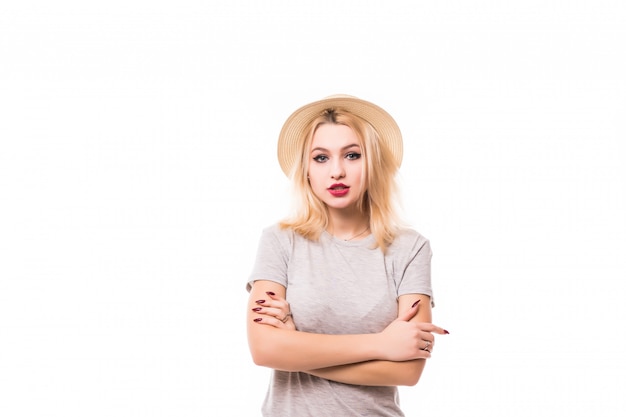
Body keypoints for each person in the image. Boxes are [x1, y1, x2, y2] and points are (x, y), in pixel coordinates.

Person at [246, 95, 448, 416]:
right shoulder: (279, 241)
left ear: (373, 164)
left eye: (352, 155)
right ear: (307, 170)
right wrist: (382, 344)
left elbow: (407, 371)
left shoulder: (410, 248)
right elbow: (265, 349)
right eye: (321, 158)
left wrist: (296, 348)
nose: (337, 171)